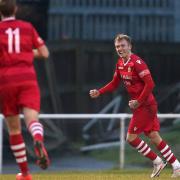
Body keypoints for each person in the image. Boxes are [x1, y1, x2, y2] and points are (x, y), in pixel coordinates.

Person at [89, 34, 180, 178]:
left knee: (131, 138)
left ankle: (157, 161)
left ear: (130, 46)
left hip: (145, 105)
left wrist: (138, 101)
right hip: (143, 105)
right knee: (154, 136)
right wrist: (99, 92)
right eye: (117, 46)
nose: (120, 48)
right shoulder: (120, 63)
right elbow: (114, 83)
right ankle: (176, 166)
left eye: (123, 45)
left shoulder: (137, 62)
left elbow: (150, 84)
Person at [0, 0, 50, 179]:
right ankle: (38, 138)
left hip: (6, 80)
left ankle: (25, 173)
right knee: (32, 120)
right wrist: (26, 54)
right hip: (27, 78)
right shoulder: (27, 27)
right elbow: (44, 53)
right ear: (15, 9)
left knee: (14, 129)